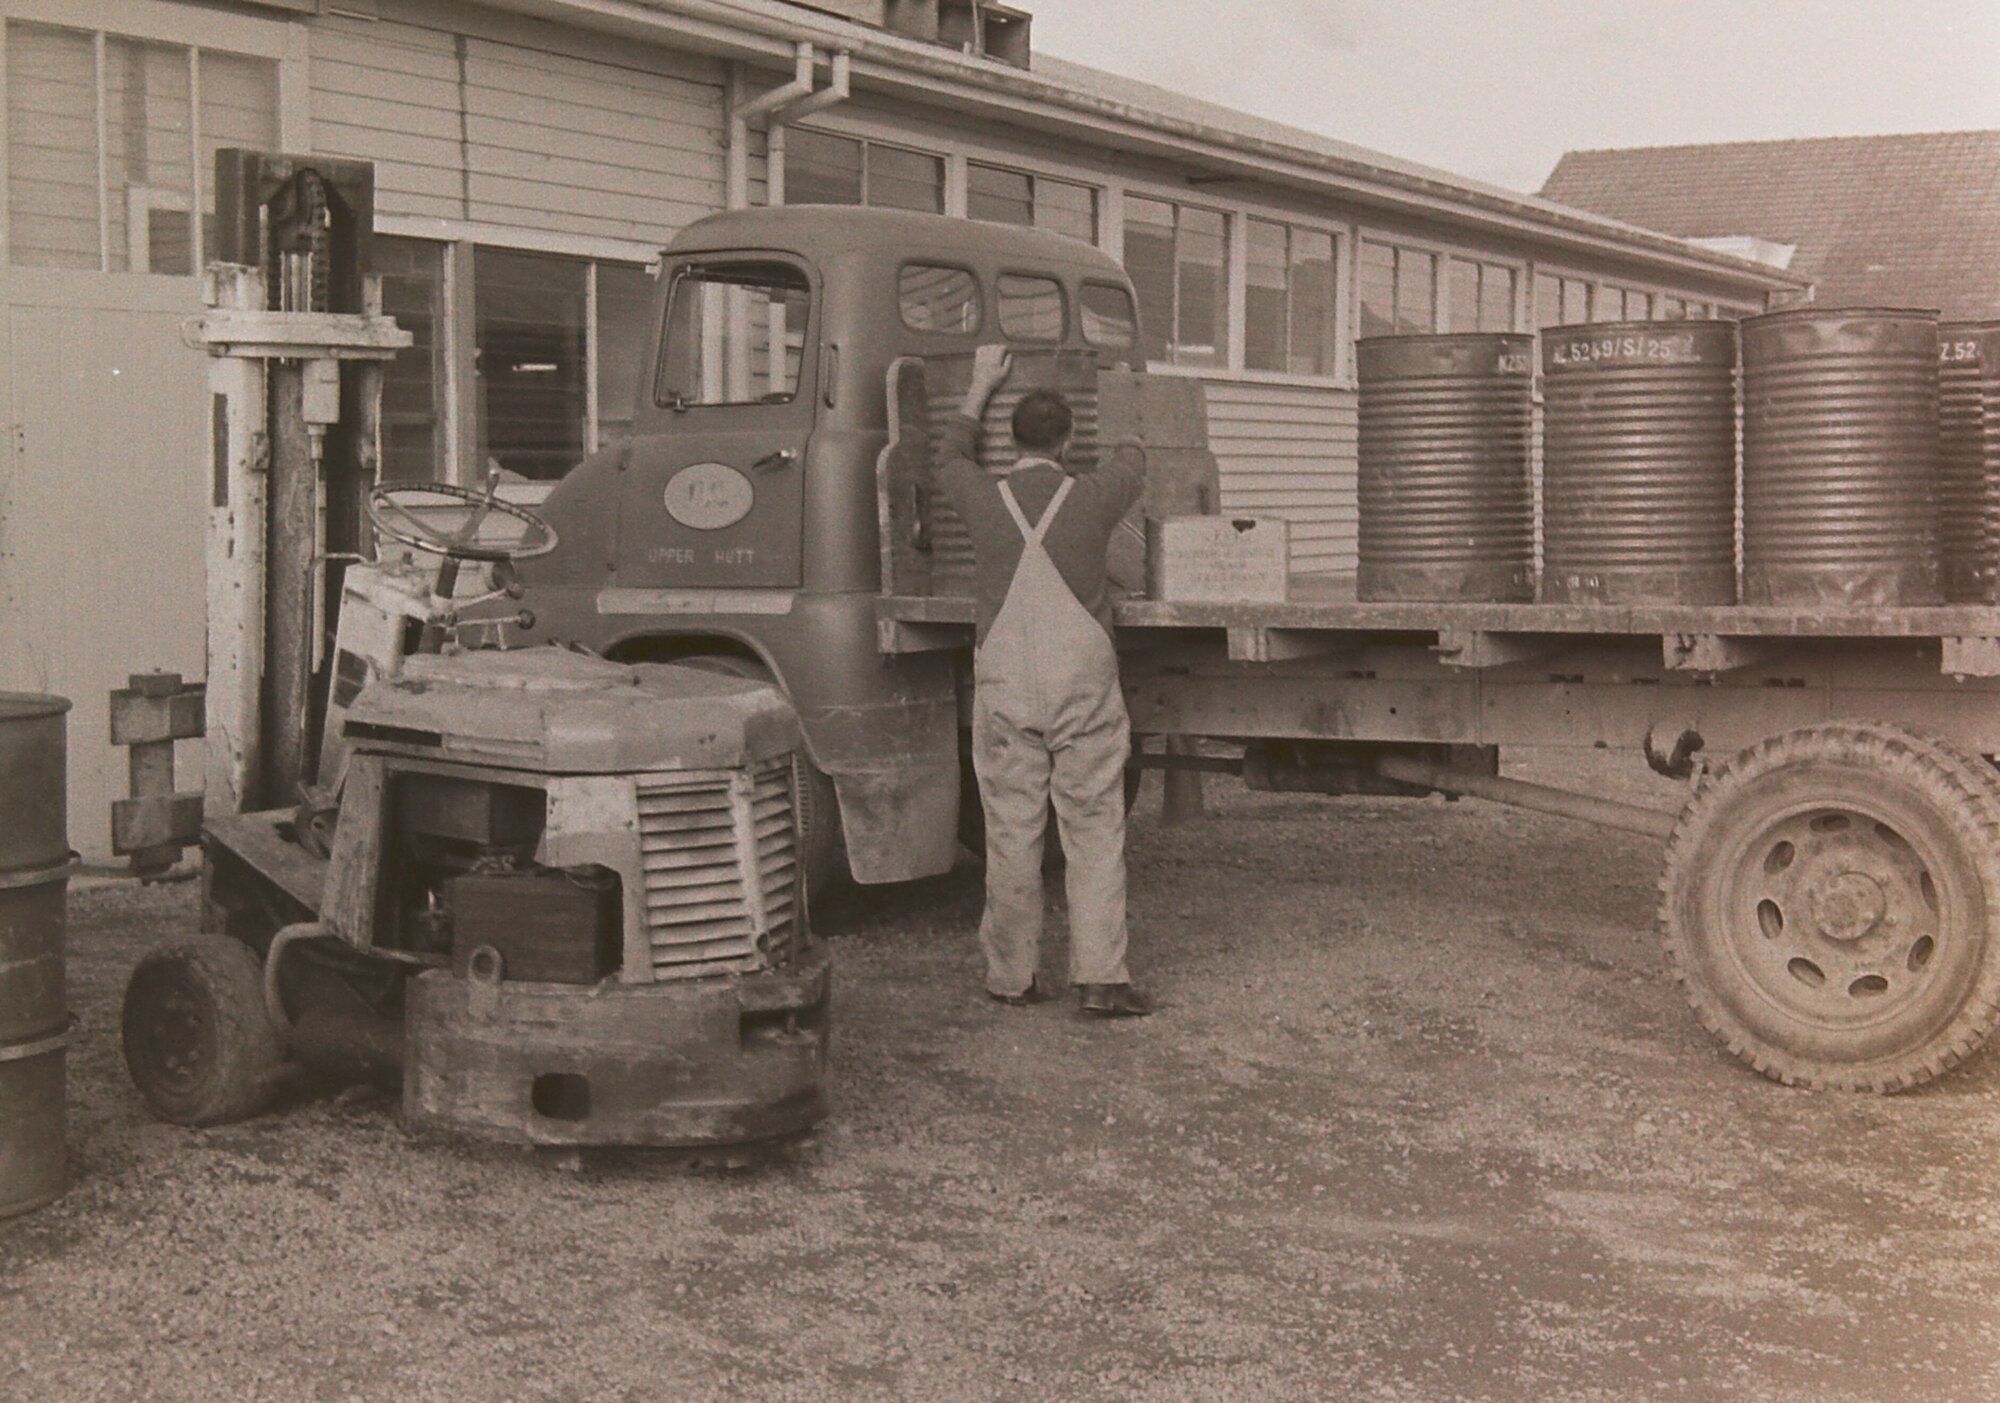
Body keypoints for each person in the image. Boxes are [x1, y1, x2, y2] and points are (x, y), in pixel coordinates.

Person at [937, 343, 1154, 1018]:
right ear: (1066, 440)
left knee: (1010, 834)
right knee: (1092, 829)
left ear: (1010, 439)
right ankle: (1101, 979)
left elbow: (946, 455)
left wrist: (979, 387)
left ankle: (1012, 977)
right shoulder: (1094, 495)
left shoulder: (980, 496)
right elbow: (1135, 458)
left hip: (1006, 681)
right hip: (1080, 682)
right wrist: (1119, 393)